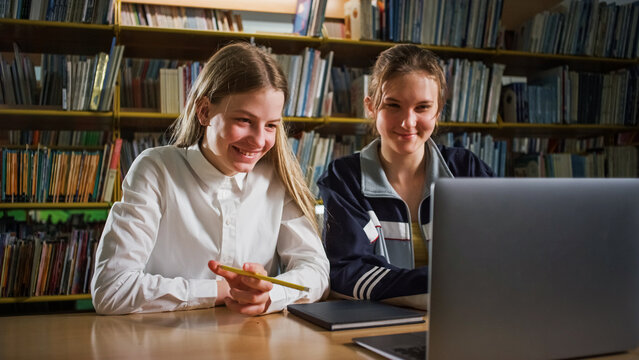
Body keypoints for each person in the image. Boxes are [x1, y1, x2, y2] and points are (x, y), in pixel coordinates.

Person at [91, 42, 329, 315]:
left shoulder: (275, 179)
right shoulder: (156, 168)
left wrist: (268, 295)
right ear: (204, 112)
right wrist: (224, 290)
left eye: (271, 125)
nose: (260, 140)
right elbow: (111, 289)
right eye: (244, 120)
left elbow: (316, 271)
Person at [317, 44, 494, 310]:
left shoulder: (467, 170)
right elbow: (346, 273)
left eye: (422, 107)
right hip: (373, 325)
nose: (407, 122)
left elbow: (501, 256)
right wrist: (440, 284)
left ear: (438, 109)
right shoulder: (344, 178)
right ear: (371, 107)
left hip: (467, 318)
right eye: (393, 105)